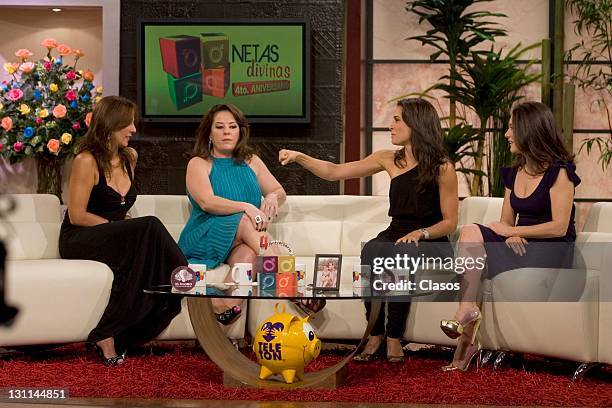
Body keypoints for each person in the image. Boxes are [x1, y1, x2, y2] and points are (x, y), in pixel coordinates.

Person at [279, 98, 458, 363]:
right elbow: (334, 171)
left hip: (430, 238)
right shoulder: (388, 159)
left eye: (397, 119)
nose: (391, 125)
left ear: (416, 124)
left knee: (399, 254)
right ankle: (374, 333)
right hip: (396, 231)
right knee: (372, 249)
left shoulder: (443, 168)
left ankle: (394, 337)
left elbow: (450, 222)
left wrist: (421, 233)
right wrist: (299, 157)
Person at [440, 101, 581, 371]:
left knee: (475, 256)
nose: (506, 134)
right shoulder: (514, 173)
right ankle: (468, 313)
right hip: (519, 244)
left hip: (551, 249)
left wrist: (515, 231)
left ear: (529, 130)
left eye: (512, 128)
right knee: (471, 233)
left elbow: (560, 227)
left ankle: (466, 340)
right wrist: (509, 235)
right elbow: (505, 222)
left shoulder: (559, 172)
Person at [59, 96, 184, 366]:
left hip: (115, 237)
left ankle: (110, 335)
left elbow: (122, 209)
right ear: (111, 124)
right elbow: (77, 215)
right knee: (150, 225)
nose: (133, 130)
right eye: (128, 123)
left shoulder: (130, 158)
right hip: (81, 237)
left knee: (140, 265)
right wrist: (119, 230)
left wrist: (123, 231)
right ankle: (184, 271)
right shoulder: (86, 160)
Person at [178, 104, 286, 324]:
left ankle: (225, 307)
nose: (226, 132)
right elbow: (207, 202)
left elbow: (278, 190)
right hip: (206, 233)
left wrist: (273, 197)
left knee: (248, 257)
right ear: (209, 132)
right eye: (219, 127)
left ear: (240, 131)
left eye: (232, 126)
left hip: (238, 241)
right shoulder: (198, 163)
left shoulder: (251, 161)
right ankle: (286, 275)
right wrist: (246, 206)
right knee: (246, 220)